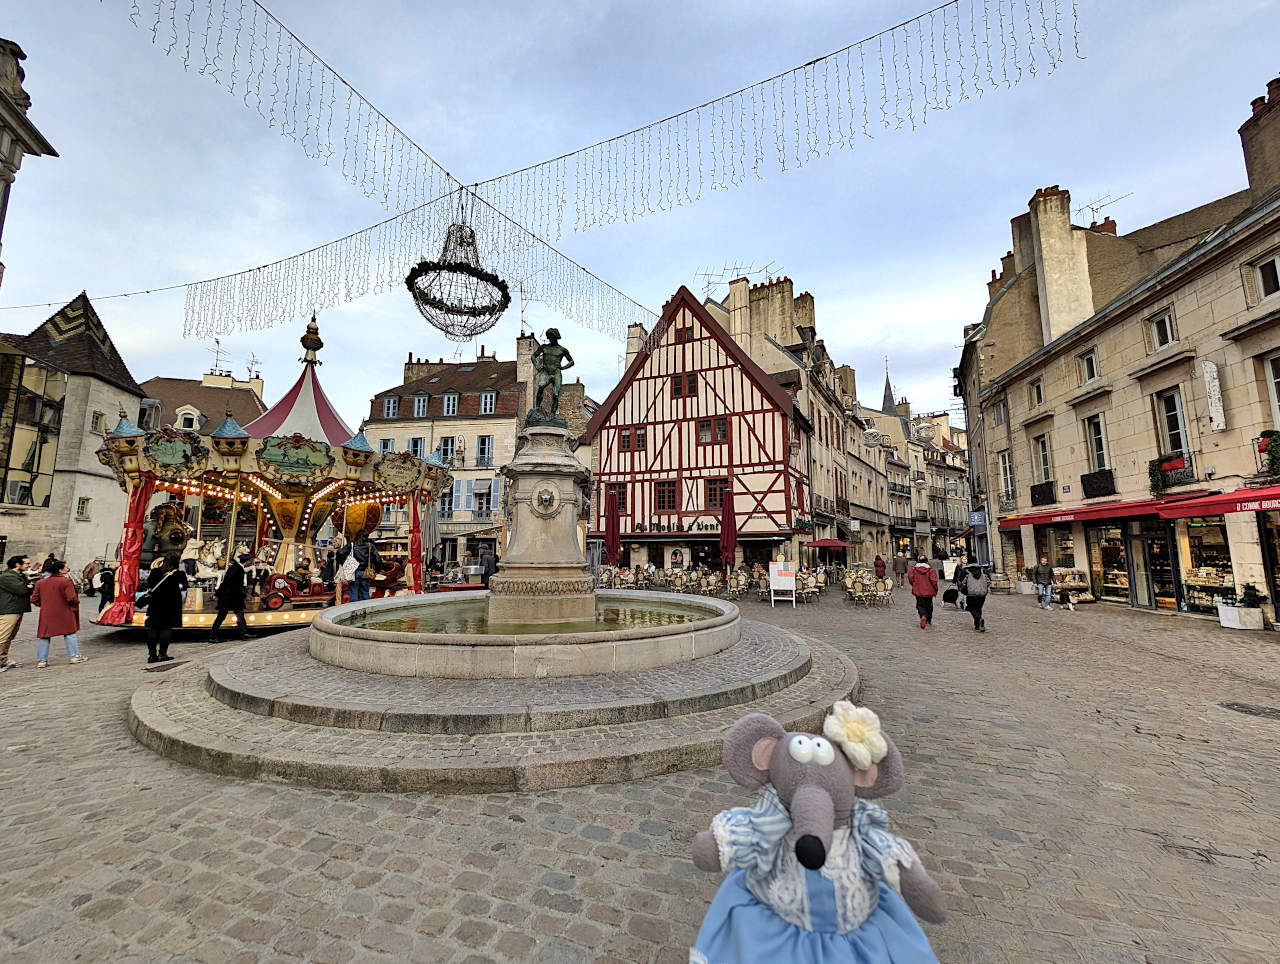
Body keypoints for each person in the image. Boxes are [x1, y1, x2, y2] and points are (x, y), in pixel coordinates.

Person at [31, 559, 86, 668]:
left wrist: (43, 605)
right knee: (70, 633)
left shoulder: (40, 582)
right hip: (64, 611)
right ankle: (74, 656)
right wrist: (75, 604)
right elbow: (71, 598)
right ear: (60, 570)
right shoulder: (66, 581)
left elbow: (34, 599)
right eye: (66, 567)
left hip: (47, 612)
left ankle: (42, 660)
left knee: (45, 635)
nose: (68, 569)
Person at [144, 554, 188, 664]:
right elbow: (185, 586)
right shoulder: (178, 574)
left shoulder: (155, 572)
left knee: (153, 628)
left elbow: (149, 584)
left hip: (155, 603)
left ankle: (152, 655)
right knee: (166, 628)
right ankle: (162, 654)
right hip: (170, 605)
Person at [0, 555, 33, 672]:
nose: (29, 566)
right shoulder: (7, 576)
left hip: (16, 609)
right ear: (17, 565)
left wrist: (29, 585)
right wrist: (30, 585)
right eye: (27, 564)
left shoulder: (19, 575)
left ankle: (3, 659)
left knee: (9, 636)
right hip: (9, 609)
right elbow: (23, 590)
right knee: (2, 636)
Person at [209, 553, 252, 644]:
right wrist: (218, 593)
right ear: (247, 561)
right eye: (250, 561)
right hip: (229, 597)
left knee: (239, 614)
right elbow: (227, 581)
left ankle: (244, 633)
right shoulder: (237, 569)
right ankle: (213, 636)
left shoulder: (237, 568)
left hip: (232, 597)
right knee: (222, 616)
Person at [338, 532, 382, 602]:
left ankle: (353, 610)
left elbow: (340, 553)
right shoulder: (370, 546)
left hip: (352, 572)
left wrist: (341, 563)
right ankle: (367, 609)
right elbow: (377, 559)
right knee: (365, 592)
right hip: (365, 572)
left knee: (353, 592)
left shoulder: (351, 544)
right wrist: (377, 570)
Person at [907, 553, 939, 630]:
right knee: (929, 605)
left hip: (918, 591)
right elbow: (934, 581)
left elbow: (911, 579)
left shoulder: (913, 570)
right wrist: (935, 589)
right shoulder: (931, 570)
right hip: (929, 592)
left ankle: (923, 616)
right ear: (927, 562)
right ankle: (928, 620)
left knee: (920, 605)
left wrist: (914, 585)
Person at [958, 561, 990, 631]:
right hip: (982, 594)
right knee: (978, 608)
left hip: (971, 594)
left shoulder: (967, 573)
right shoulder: (984, 573)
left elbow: (962, 582)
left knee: (971, 608)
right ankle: (977, 625)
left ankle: (979, 619)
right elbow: (988, 582)